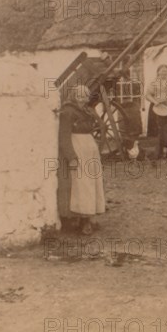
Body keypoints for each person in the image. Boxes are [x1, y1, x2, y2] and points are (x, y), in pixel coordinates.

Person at [57, 84, 106, 235]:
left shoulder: (88, 110)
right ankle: (78, 219)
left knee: (91, 183)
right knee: (80, 185)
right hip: (77, 148)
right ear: (73, 96)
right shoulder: (67, 111)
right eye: (79, 95)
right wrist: (71, 156)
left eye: (85, 96)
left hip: (89, 149)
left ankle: (87, 218)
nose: (82, 98)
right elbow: (63, 136)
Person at [145, 64, 167, 160]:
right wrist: (155, 101)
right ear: (158, 72)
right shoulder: (153, 83)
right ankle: (158, 152)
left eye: (165, 71)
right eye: (162, 71)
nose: (164, 73)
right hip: (157, 107)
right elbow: (148, 95)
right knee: (158, 129)